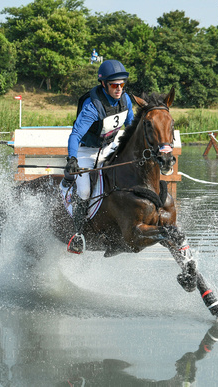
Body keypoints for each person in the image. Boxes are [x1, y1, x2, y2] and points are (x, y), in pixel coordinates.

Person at [62, 59, 134, 253]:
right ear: (104, 84)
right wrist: (72, 159)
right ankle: (77, 235)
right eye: (114, 85)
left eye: (121, 85)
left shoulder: (125, 101)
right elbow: (76, 134)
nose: (119, 89)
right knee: (85, 192)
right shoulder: (93, 106)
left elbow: (132, 127)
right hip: (87, 151)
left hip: (110, 149)